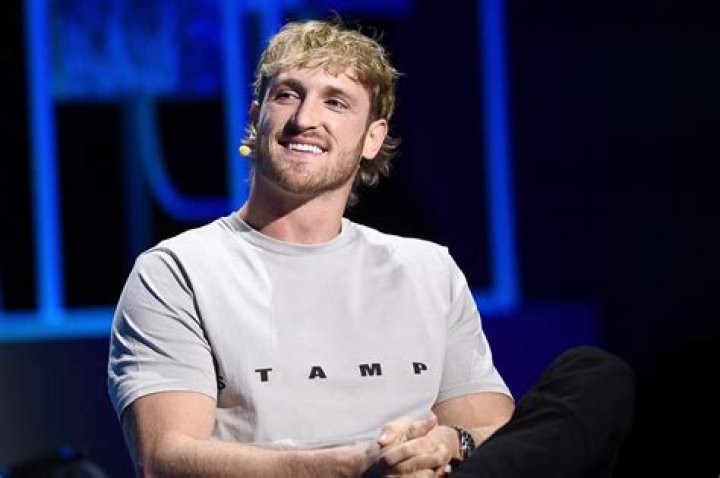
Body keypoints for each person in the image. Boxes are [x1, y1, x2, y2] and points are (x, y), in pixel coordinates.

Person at [107, 18, 634, 477]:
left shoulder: (426, 268)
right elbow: (166, 459)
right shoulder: (178, 271)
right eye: (287, 95)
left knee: (594, 376)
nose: (304, 119)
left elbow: (494, 431)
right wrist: (355, 466)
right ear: (256, 116)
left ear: (373, 139)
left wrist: (449, 443)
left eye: (335, 102)